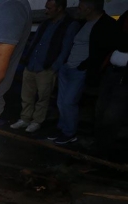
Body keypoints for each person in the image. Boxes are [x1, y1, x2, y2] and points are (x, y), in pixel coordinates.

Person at [48, 0, 118, 144]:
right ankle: (63, 129)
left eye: (80, 7)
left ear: (89, 9)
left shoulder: (106, 24)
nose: (78, 9)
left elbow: (104, 51)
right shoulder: (83, 23)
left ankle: (69, 133)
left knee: (69, 102)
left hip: (80, 70)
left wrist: (84, 66)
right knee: (62, 102)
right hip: (69, 67)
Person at [10, 0, 80, 133]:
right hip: (32, 64)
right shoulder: (46, 23)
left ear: (59, 8)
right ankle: (25, 118)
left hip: (46, 67)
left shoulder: (69, 25)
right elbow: (36, 42)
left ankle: (37, 121)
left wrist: (54, 67)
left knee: (43, 97)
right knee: (27, 95)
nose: (46, 10)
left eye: (49, 8)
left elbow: (66, 48)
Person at [94, 10, 128, 160]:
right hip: (111, 71)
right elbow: (115, 39)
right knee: (100, 110)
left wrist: (121, 40)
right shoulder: (125, 15)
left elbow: (122, 42)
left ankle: (104, 152)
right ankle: (99, 147)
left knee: (112, 115)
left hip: (124, 77)